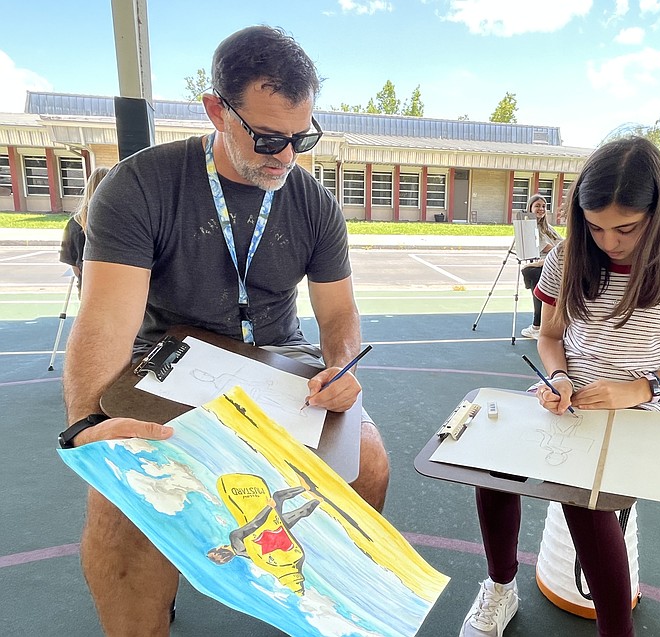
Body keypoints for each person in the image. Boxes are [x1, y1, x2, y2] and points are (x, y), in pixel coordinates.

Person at [61, 26, 389, 636]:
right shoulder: (139, 186)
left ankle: (319, 600)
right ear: (216, 110)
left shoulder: (313, 202)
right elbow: (107, 317)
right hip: (162, 362)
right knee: (121, 506)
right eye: (267, 137)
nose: (285, 156)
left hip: (279, 364)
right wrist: (88, 423)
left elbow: (339, 316)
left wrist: (341, 367)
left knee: (368, 465)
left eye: (300, 139)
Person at [459, 137, 660, 637]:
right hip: (566, 400)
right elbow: (551, 337)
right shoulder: (566, 256)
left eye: (626, 228)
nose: (609, 241)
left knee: (586, 501)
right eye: (595, 225)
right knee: (492, 470)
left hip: (642, 406)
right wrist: (557, 376)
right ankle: (500, 587)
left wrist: (641, 388)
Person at [58, 166, 109, 294]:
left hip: (87, 286)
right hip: (114, 286)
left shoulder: (74, 223)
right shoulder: (117, 222)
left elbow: (72, 262)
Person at [519, 194, 561, 339]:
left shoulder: (548, 229)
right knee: (532, 273)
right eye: (537, 206)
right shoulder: (529, 229)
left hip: (552, 263)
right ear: (530, 208)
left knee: (530, 271)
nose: (541, 209)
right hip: (548, 264)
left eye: (543, 206)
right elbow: (551, 248)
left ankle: (538, 325)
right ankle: (538, 325)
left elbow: (561, 247)